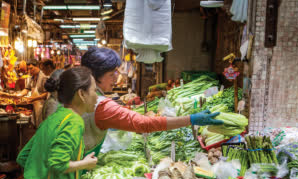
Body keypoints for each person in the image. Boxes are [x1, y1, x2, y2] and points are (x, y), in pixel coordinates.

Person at [80, 47, 223, 156]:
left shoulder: (82, 95)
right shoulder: (101, 104)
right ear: (96, 76)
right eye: (111, 75)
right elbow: (145, 124)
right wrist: (192, 119)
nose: (115, 79)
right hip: (77, 167)